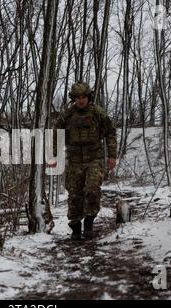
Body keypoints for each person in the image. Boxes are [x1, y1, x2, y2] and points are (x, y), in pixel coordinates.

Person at [49, 82, 117, 240]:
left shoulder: (98, 113)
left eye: (83, 97)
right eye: (77, 98)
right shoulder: (67, 115)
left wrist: (112, 155)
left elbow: (111, 132)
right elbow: (56, 134)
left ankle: (89, 222)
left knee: (92, 189)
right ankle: (75, 228)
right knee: (74, 194)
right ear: (73, 99)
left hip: (94, 159)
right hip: (74, 160)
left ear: (88, 97)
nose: (81, 101)